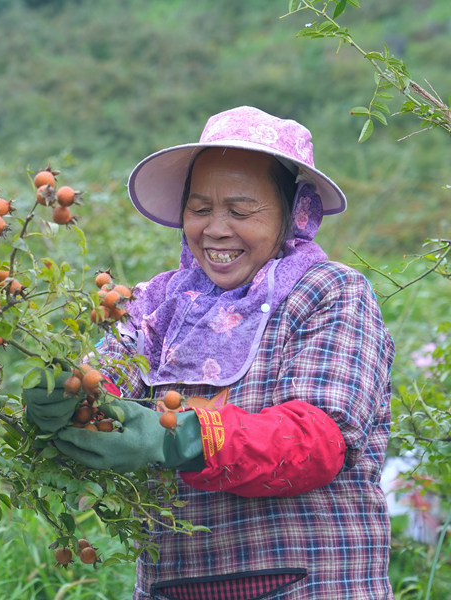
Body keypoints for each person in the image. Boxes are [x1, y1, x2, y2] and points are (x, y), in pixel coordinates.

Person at [23, 106, 395, 599]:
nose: (216, 229)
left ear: (293, 213)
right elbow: (103, 387)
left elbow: (317, 442)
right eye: (200, 209)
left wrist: (179, 438)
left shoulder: (329, 292)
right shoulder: (158, 304)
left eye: (241, 212)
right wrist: (67, 397)